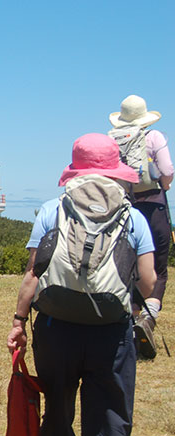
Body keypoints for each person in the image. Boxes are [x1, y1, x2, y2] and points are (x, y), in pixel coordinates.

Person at [7, 133, 156, 436]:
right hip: (112, 331)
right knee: (109, 417)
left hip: (56, 328)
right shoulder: (134, 217)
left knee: (57, 413)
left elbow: (33, 273)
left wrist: (19, 322)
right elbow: (149, 281)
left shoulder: (52, 210)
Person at [109, 95, 173, 359]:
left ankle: (133, 319)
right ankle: (148, 319)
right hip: (154, 204)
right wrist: (165, 184)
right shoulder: (154, 137)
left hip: (126, 205)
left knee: (131, 264)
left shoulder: (113, 139)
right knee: (158, 266)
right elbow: (167, 169)